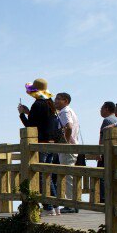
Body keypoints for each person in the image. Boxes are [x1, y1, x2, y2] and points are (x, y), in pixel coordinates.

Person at [18, 78, 64, 214]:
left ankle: (48, 207)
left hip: (41, 144)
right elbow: (43, 121)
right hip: (51, 144)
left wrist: (21, 114)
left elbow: (30, 126)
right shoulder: (50, 105)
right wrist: (28, 112)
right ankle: (55, 207)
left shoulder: (37, 105)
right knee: (47, 174)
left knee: (41, 175)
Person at [54, 92, 80, 213]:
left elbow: (68, 127)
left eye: (59, 99)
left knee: (68, 175)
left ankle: (70, 204)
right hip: (73, 147)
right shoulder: (70, 111)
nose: (55, 100)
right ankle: (72, 203)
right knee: (70, 175)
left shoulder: (64, 112)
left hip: (68, 148)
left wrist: (65, 142)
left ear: (66, 101)